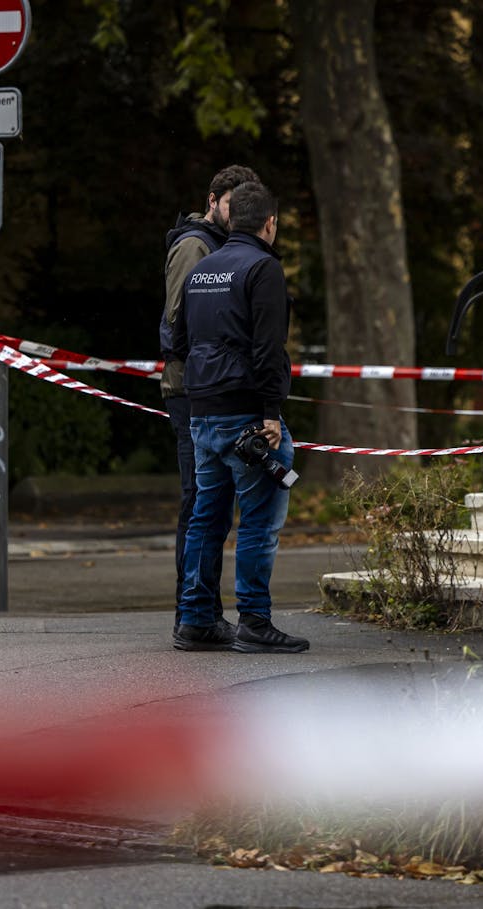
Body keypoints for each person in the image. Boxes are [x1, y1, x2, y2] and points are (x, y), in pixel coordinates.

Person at [170, 180, 308, 654]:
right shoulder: (262, 268)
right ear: (270, 222)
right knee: (258, 522)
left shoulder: (202, 268)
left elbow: (181, 338)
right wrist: (271, 412)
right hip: (247, 414)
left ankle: (194, 621)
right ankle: (254, 621)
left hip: (201, 412)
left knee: (206, 520)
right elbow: (268, 348)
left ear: (232, 218)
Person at [159, 164, 260, 634]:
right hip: (191, 390)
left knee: (213, 508)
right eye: (231, 204)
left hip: (205, 387)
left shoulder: (221, 246)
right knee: (200, 505)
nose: (237, 213)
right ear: (213, 199)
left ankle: (202, 613)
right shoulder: (195, 245)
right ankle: (193, 615)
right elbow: (179, 323)